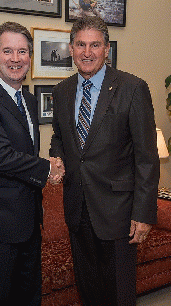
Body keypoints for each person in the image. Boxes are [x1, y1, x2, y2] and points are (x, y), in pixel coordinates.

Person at [49, 16, 160, 306]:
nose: (87, 52)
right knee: (89, 291)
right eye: (81, 45)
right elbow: (59, 137)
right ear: (71, 49)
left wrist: (144, 213)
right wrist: (57, 156)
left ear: (107, 49)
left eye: (95, 45)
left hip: (119, 213)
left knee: (119, 294)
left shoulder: (133, 88)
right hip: (77, 208)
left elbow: (147, 157)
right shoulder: (61, 92)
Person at [0, 21, 64, 306]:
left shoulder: (30, 101)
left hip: (30, 223)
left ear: (30, 57)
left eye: (22, 51)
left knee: (29, 299)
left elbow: (25, 155)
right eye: (7, 51)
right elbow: (0, 157)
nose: (16, 58)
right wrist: (48, 169)